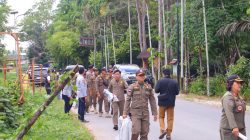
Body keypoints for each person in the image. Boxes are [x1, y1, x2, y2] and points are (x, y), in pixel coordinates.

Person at [123, 69, 158, 140]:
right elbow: (128, 100)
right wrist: (125, 113)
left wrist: (155, 113)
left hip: (145, 112)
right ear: (136, 77)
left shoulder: (148, 87)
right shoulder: (132, 87)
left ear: (145, 77)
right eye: (140, 76)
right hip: (135, 112)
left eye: (143, 75)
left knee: (145, 133)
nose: (141, 77)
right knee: (136, 131)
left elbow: (152, 100)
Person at [155, 68, 179, 140]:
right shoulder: (174, 82)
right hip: (171, 103)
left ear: (163, 73)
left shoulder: (160, 81)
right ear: (170, 74)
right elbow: (177, 93)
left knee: (161, 117)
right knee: (170, 119)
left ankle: (162, 130)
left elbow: (156, 91)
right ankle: (168, 134)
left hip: (162, 103)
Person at [220, 74, 246, 140]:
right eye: (237, 83)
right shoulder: (227, 97)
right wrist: (234, 127)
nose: (240, 85)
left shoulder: (239, 98)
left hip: (240, 130)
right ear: (231, 84)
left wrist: (241, 128)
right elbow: (229, 113)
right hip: (229, 131)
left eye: (240, 83)